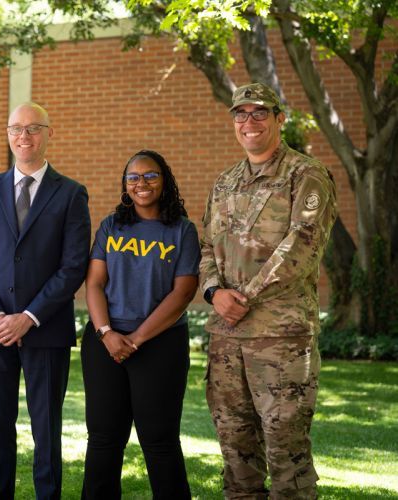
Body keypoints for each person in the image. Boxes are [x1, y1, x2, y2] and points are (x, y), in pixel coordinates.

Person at [200, 83, 337, 499]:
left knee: (285, 450)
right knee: (235, 450)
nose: (249, 122)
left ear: (281, 118)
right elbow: (206, 247)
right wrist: (213, 293)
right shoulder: (225, 184)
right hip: (226, 338)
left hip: (282, 339)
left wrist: (244, 297)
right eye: (240, 114)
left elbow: (302, 248)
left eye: (260, 113)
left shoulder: (305, 175)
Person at [0, 102, 91, 500]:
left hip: (46, 329)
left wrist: (29, 316)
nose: (24, 136)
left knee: (46, 429)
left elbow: (73, 267)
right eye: (16, 128)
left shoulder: (70, 193)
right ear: (8, 135)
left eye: (33, 128)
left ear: (49, 133)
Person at [82, 150, 198, 499]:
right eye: (133, 177)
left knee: (159, 439)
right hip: (105, 341)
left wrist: (135, 338)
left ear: (165, 180)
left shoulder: (182, 230)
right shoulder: (111, 225)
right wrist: (106, 333)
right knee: (103, 438)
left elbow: (183, 292)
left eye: (150, 176)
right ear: (125, 184)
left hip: (160, 344)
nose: (141, 183)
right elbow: (94, 284)